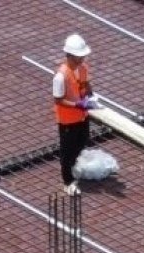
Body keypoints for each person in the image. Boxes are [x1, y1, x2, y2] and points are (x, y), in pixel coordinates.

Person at [54, 36, 95, 194]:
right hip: (67, 120)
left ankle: (74, 168)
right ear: (70, 55)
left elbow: (85, 84)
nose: (83, 58)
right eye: (80, 55)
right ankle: (67, 180)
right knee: (67, 150)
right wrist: (77, 104)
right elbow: (58, 100)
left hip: (82, 116)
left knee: (82, 141)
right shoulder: (61, 76)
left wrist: (90, 96)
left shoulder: (83, 68)